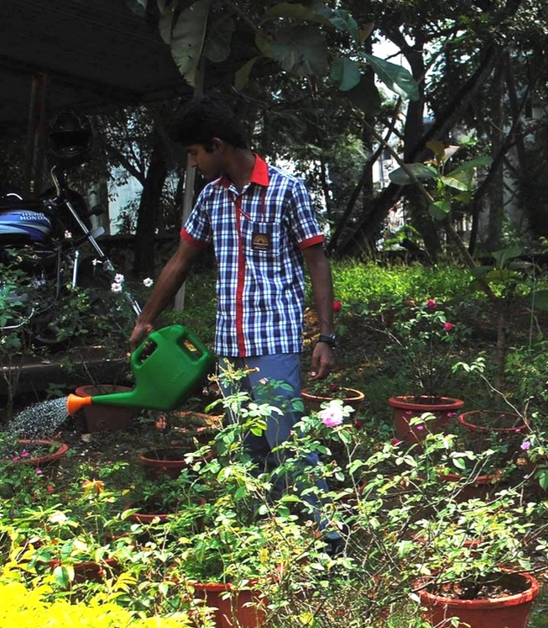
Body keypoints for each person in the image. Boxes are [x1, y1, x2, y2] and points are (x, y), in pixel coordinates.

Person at [129, 94, 338, 542]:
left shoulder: (287, 189)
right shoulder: (211, 197)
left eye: (194, 153)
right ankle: (269, 538)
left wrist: (326, 335)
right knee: (246, 447)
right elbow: (182, 259)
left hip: (275, 342)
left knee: (289, 445)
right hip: (229, 346)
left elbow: (317, 262)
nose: (193, 162)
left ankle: (326, 539)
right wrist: (147, 317)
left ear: (217, 145)